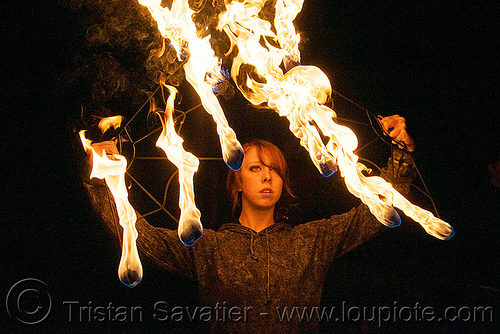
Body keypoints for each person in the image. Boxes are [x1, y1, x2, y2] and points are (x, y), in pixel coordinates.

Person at [85, 115, 416, 333]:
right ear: (237, 182)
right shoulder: (208, 247)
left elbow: (378, 213)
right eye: (255, 168)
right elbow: (140, 239)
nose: (267, 176)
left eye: (274, 169)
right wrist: (105, 179)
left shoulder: (311, 240)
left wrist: (401, 151)